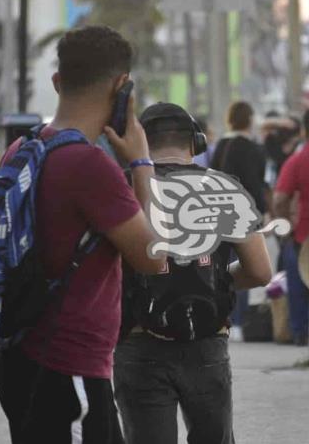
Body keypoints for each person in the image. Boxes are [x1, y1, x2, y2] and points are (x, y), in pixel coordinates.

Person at [0, 25, 168, 444]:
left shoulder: (23, 149)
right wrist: (141, 163)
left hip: (20, 354)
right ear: (122, 86)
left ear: (58, 81)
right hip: (67, 366)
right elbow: (153, 257)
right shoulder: (91, 167)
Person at [114, 102, 272, 444]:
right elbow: (260, 271)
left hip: (137, 340)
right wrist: (217, 277)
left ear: (139, 140)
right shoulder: (225, 188)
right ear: (196, 142)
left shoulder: (122, 187)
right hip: (206, 340)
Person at [210, 101, 268, 337]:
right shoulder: (252, 148)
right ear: (249, 119)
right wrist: (262, 212)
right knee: (245, 267)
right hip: (245, 216)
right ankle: (240, 319)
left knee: (222, 265)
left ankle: (224, 314)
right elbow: (256, 183)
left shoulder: (221, 145)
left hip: (218, 214)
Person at [273, 109, 309, 346]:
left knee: (298, 286)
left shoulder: (298, 160)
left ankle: (301, 333)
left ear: (303, 130)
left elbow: (280, 199)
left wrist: (287, 227)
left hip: (302, 235)